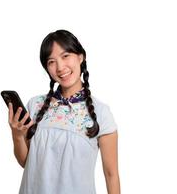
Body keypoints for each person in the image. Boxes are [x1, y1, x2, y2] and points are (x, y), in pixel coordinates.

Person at [7, 29, 120, 194]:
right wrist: (17, 135)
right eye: (51, 61)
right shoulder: (35, 105)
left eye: (65, 56)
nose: (60, 67)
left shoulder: (101, 113)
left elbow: (111, 175)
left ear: (80, 57)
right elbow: (27, 162)